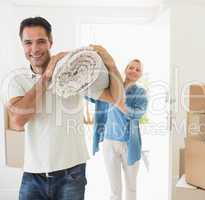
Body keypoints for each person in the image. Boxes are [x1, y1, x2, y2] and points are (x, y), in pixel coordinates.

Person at [3, 16, 124, 200]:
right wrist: (47, 77)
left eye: (41, 41)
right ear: (22, 45)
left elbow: (117, 98)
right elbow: (18, 120)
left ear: (51, 42)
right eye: (28, 43)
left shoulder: (72, 71)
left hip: (71, 173)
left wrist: (109, 61)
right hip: (33, 174)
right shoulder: (16, 80)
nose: (34, 49)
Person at [86, 59, 148, 200]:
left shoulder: (140, 92)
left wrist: (120, 104)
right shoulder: (112, 88)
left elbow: (138, 113)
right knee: (114, 189)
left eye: (138, 69)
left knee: (131, 187)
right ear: (125, 69)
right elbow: (94, 97)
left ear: (140, 74)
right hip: (109, 142)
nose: (134, 70)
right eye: (131, 67)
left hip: (129, 144)